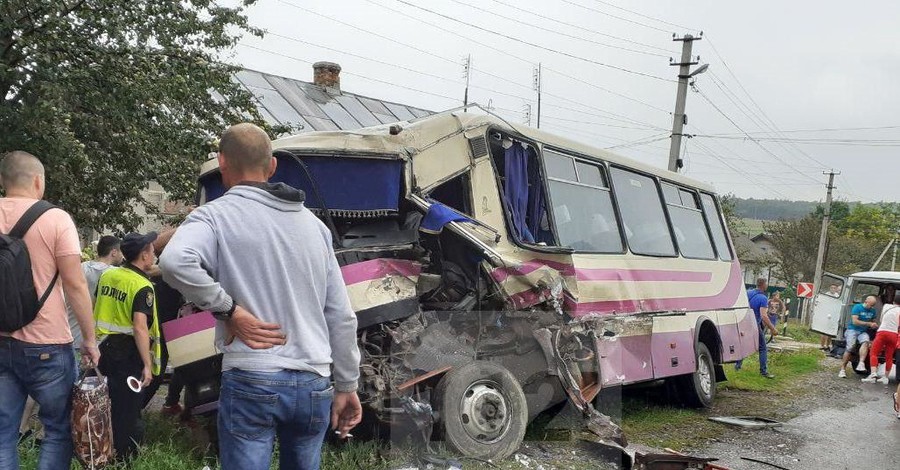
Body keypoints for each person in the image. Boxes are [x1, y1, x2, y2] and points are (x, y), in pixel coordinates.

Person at [160, 123, 362, 470]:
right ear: (271, 168)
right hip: (314, 381)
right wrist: (347, 384)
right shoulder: (315, 228)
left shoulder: (214, 217)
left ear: (222, 161)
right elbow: (341, 315)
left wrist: (229, 310)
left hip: (253, 376)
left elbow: (174, 261)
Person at [0, 151, 101, 469]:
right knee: (58, 431)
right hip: (47, 344)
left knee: (2, 434)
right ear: (38, 181)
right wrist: (90, 338)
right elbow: (75, 284)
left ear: (3, 182)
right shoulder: (55, 219)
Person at [94, 232, 162, 460]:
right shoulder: (143, 286)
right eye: (152, 250)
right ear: (144, 255)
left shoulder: (109, 275)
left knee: (105, 404)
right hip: (128, 354)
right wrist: (146, 364)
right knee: (128, 409)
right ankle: (123, 458)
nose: (154, 253)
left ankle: (100, 450)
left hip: (103, 348)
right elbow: (140, 327)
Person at [67, 235, 123, 357]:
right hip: (92, 341)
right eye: (120, 252)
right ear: (113, 252)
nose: (122, 256)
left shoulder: (82, 267)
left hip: (70, 331)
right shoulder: (114, 274)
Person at [735, 278, 778, 377]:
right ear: (764, 285)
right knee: (762, 347)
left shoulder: (748, 292)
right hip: (754, 324)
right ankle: (764, 371)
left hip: (743, 321)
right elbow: (764, 315)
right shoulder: (763, 298)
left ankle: (737, 367)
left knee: (743, 345)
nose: (767, 285)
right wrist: (773, 328)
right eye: (767, 283)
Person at [862, 292, 899, 384]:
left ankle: (873, 374)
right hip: (894, 334)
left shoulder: (886, 306)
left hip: (882, 332)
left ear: (893, 301)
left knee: (873, 353)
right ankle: (885, 377)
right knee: (889, 356)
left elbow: (881, 319)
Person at [838, 295, 878, 378]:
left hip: (863, 331)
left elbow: (872, 321)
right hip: (852, 330)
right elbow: (855, 321)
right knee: (850, 347)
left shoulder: (873, 311)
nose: (871, 307)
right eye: (870, 305)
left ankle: (861, 363)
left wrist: (874, 325)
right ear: (866, 302)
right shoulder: (857, 307)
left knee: (866, 342)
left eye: (873, 305)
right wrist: (868, 323)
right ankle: (842, 369)